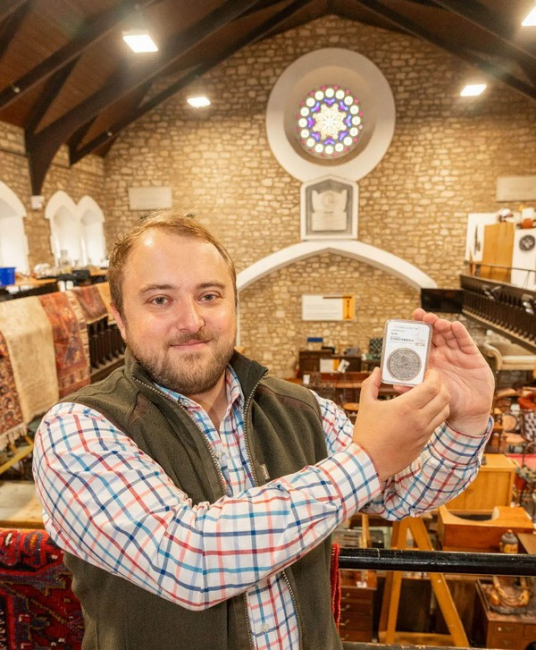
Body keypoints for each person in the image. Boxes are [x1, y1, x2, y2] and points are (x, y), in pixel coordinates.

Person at [33, 209, 494, 650]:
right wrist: (367, 460)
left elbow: (403, 493)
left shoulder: (302, 409)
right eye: (160, 300)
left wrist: (467, 419)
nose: (191, 321)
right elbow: (188, 560)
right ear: (119, 317)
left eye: (209, 296)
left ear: (235, 304)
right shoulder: (78, 429)